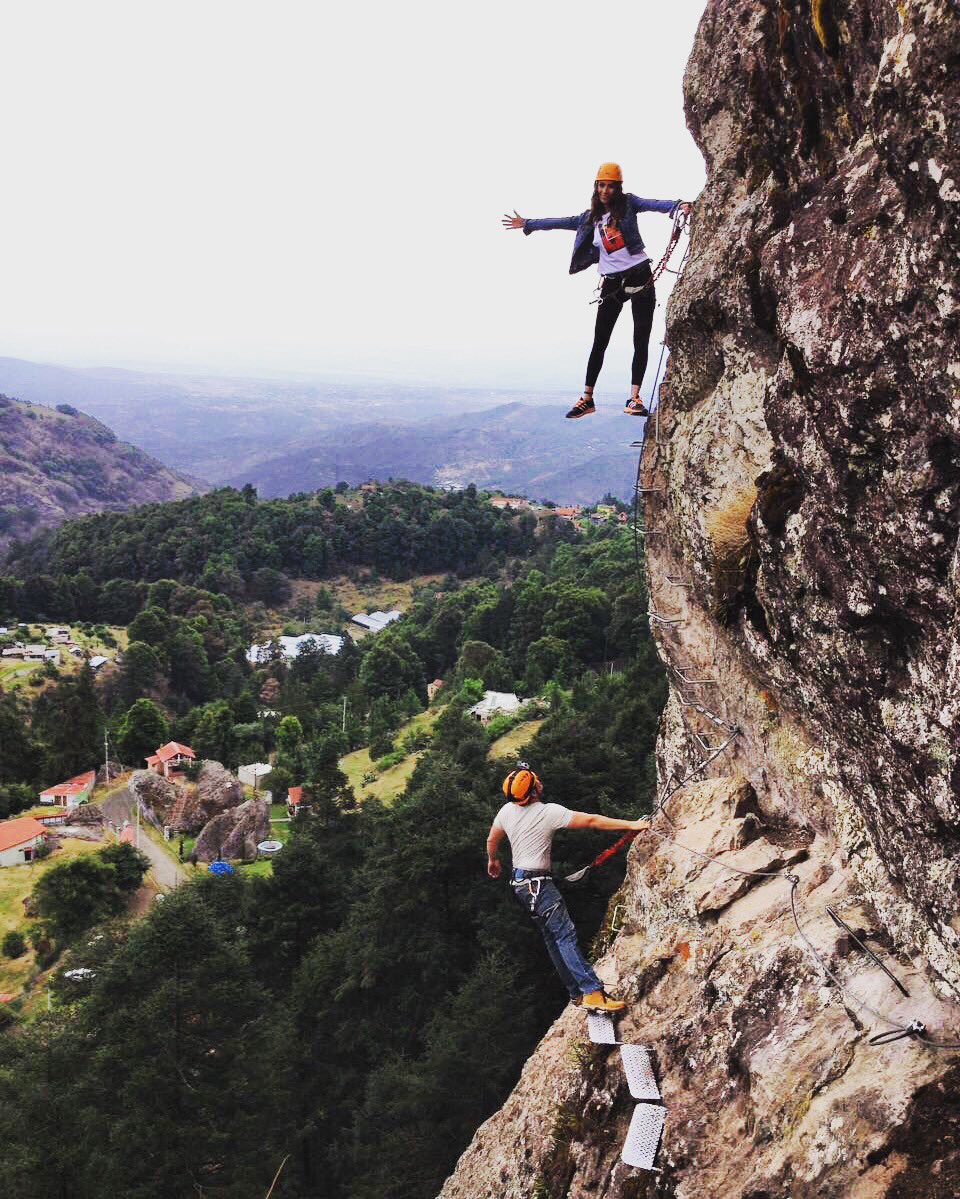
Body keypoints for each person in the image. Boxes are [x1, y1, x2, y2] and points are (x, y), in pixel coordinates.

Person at [502, 163, 693, 420]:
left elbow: (653, 204)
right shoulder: (588, 219)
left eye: (610, 185)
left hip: (640, 275)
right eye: (601, 185)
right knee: (600, 342)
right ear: (596, 187)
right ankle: (587, 399)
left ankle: (634, 398)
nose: (605, 190)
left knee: (641, 338)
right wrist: (528, 223)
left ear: (618, 188)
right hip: (612, 283)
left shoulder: (629, 204)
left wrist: (677, 205)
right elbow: (559, 222)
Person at [486, 765, 650, 1012]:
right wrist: (631, 824)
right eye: (535, 781)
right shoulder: (548, 812)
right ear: (532, 792)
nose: (539, 781)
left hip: (520, 886)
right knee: (565, 935)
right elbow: (592, 820)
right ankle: (592, 992)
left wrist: (493, 860)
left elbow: (492, 839)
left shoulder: (507, 811)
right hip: (539, 886)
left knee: (552, 938)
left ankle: (576, 993)